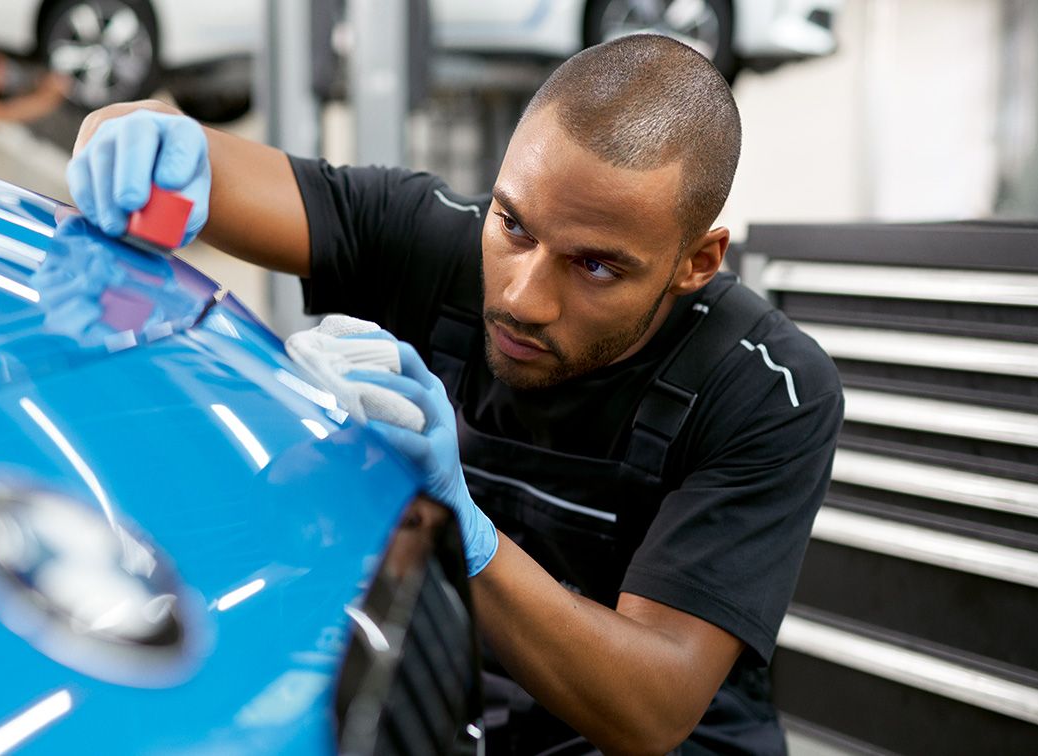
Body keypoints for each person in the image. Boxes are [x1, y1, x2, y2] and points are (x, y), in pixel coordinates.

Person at [66, 34, 843, 755]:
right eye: (514, 224)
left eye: (596, 267)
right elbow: (203, 166)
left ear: (696, 261)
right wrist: (136, 138)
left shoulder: (768, 390)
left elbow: (651, 708)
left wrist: (466, 533)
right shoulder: (439, 241)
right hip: (466, 706)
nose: (523, 298)